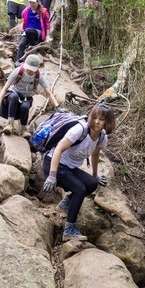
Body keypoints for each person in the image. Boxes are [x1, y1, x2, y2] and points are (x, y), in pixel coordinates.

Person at [42, 103, 116, 241]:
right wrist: (52, 176)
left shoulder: (102, 137)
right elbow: (58, 149)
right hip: (54, 163)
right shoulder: (80, 130)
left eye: (101, 119)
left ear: (108, 122)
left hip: (69, 167)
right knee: (80, 189)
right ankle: (69, 230)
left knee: (92, 184)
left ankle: (65, 204)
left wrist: (95, 175)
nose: (96, 122)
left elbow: (95, 154)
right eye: (94, 117)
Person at [0, 54, 59, 137]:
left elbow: (48, 92)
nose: (29, 71)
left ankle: (23, 128)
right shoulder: (18, 71)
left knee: (25, 106)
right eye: (28, 69)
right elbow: (5, 88)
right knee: (13, 97)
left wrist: (57, 106)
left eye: (31, 70)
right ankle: (9, 124)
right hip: (13, 94)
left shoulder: (38, 76)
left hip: (27, 98)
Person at [15, 0, 50, 64]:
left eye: (33, 2)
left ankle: (33, 45)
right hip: (28, 31)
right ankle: (17, 62)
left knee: (28, 31)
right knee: (22, 44)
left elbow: (47, 24)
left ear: (38, 2)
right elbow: (23, 19)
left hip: (38, 32)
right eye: (30, 2)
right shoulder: (26, 11)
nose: (31, 4)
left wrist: (47, 36)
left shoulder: (43, 11)